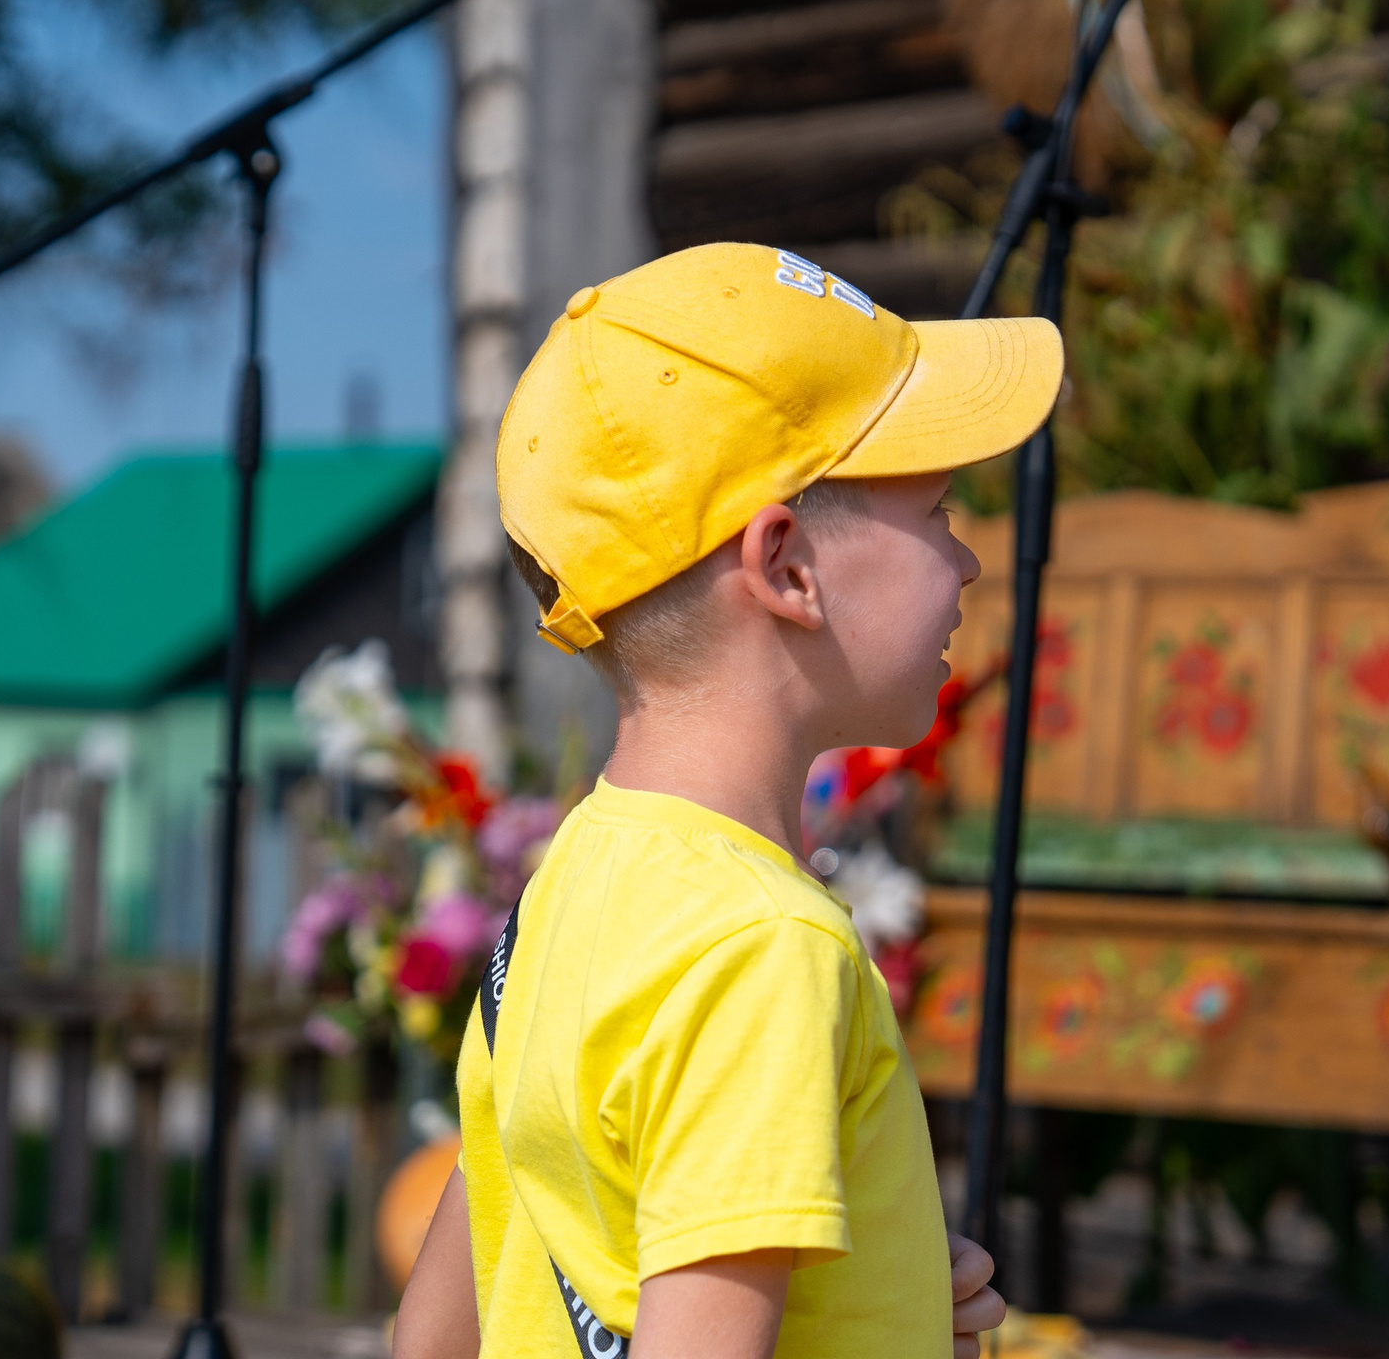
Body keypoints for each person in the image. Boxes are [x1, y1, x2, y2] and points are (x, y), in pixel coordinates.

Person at [391, 242, 1063, 1359]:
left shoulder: (566, 891)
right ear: (787, 567)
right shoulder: (766, 949)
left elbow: (435, 1335)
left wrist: (878, 1301)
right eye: (940, 511)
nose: (968, 563)